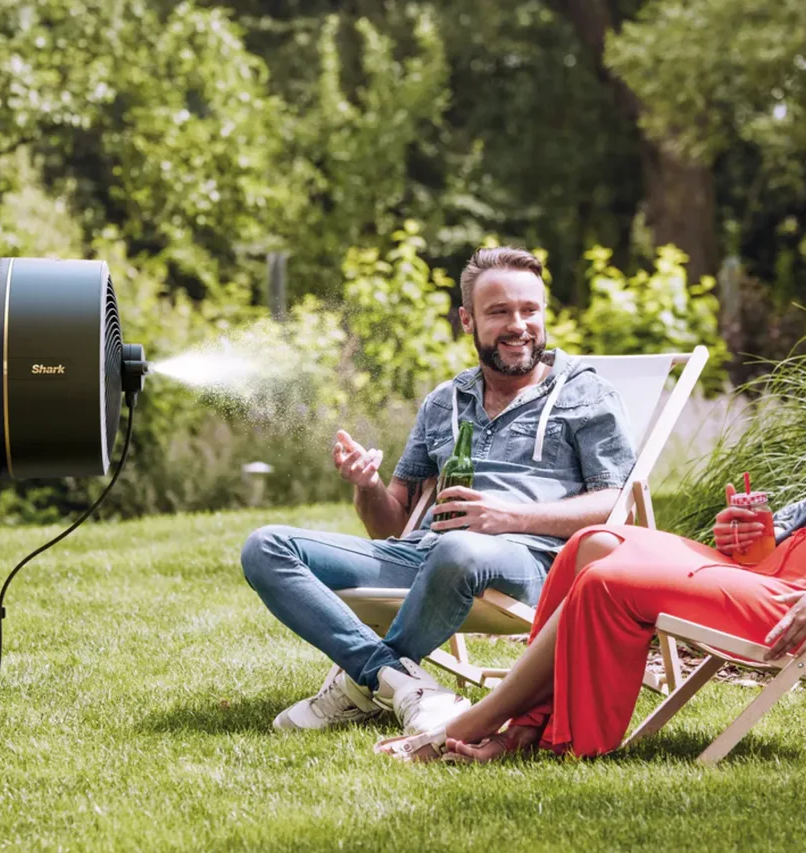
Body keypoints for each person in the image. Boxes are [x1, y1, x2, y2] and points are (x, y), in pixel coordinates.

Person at [375, 286, 806, 762]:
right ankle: (525, 728)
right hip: (770, 572)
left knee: (608, 581)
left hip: (801, 602)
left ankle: (480, 723)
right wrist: (756, 535)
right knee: (592, 543)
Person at [241, 247, 637, 736]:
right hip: (424, 554)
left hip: (533, 563)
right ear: (467, 320)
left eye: (530, 310)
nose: (519, 325)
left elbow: (615, 504)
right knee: (265, 546)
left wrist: (508, 517)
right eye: (499, 312)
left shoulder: (586, 394)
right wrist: (367, 486)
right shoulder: (444, 401)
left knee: (459, 549)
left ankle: (358, 688)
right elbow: (390, 523)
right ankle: (391, 679)